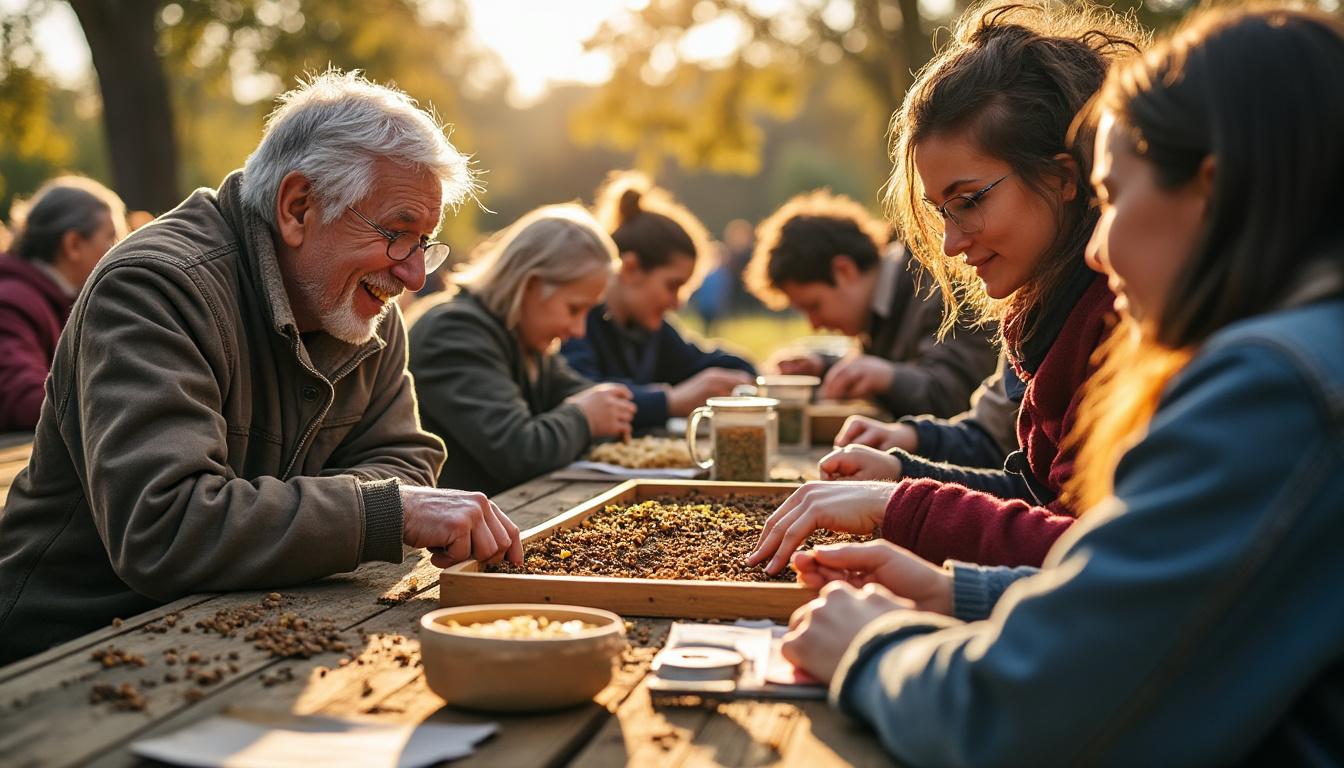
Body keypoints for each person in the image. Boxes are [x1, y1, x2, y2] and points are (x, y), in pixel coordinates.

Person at [779, 8, 1344, 763]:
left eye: (1110, 199)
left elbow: (1025, 716)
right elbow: (1165, 608)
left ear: (1207, 192)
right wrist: (958, 593)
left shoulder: (1275, 384)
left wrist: (871, 645)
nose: (1101, 251)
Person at [0, 70, 523, 665]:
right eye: (398, 233)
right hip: (73, 651)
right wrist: (378, 512)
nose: (414, 276)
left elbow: (405, 460)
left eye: (425, 242)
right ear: (298, 207)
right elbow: (165, 528)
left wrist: (284, 518)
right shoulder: (155, 287)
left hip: (249, 627)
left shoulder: (364, 304)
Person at [748, 1, 1143, 573]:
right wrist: (904, 471)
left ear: (1063, 178)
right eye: (941, 212)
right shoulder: (1045, 311)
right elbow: (1033, 494)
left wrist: (901, 502)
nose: (952, 244)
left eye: (971, 200)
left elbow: (1095, 556)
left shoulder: (1120, 316)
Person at [409, 204, 636, 495]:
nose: (579, 330)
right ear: (530, 286)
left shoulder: (524, 338)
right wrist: (584, 418)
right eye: (574, 308)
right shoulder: (454, 332)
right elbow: (518, 452)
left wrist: (606, 409)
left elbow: (578, 394)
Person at [748, 190, 998, 418]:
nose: (814, 325)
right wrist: (823, 367)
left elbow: (957, 395)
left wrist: (886, 377)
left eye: (814, 306)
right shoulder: (881, 305)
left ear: (844, 270)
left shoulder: (943, 287)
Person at [560, 171, 755, 430]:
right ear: (630, 269)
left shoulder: (652, 331)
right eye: (672, 286)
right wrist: (670, 401)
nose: (677, 303)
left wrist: (749, 374)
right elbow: (582, 391)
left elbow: (698, 361)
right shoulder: (575, 323)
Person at [0, 176, 127, 431]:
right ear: (73, 245)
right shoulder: (11, 301)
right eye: (111, 238)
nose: (119, 250)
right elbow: (20, 398)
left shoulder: (58, 299)